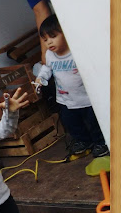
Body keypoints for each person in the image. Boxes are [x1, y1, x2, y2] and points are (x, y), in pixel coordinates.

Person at [35, 15, 108, 157]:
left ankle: (100, 142)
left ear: (65, 33)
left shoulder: (76, 53)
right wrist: (40, 78)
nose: (49, 42)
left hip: (86, 98)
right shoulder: (50, 55)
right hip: (65, 99)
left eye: (53, 36)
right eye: (45, 40)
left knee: (94, 122)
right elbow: (47, 68)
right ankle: (83, 141)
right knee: (71, 123)